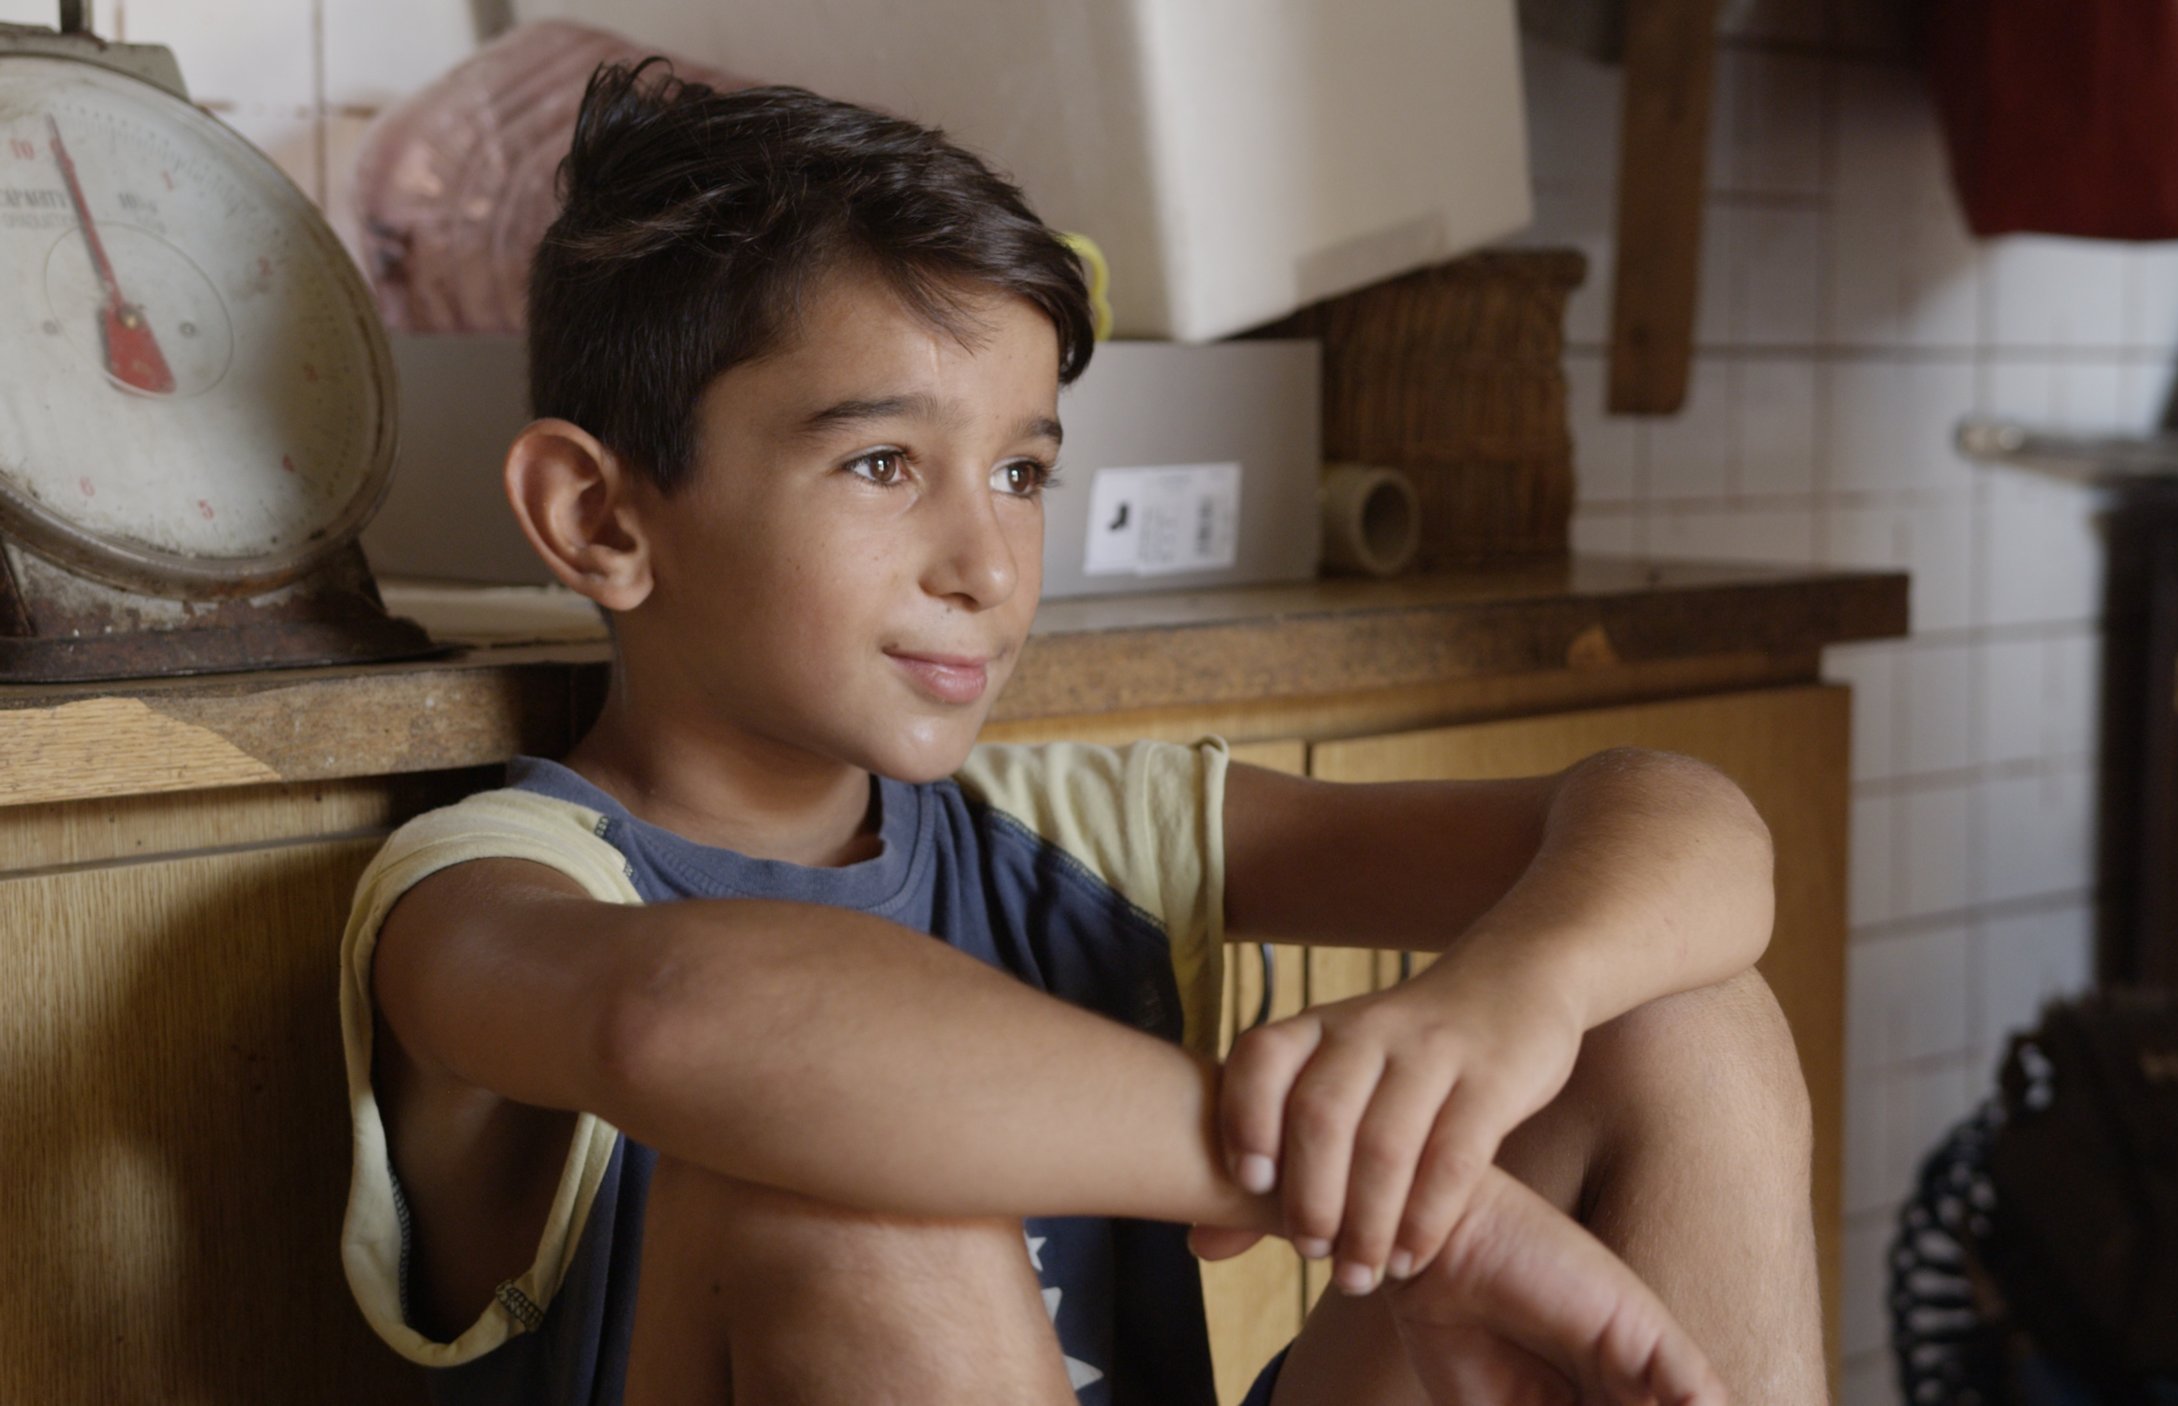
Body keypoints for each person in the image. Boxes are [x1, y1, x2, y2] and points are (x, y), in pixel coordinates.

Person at [336, 59, 1824, 1406]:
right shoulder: (488, 891)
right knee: (848, 1193)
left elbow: (1687, 821)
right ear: (600, 517)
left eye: (1023, 475)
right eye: (881, 461)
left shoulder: (1070, 830)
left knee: (1683, 1020)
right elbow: (688, 1014)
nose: (986, 563)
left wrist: (1513, 996)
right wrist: (1364, 1176)